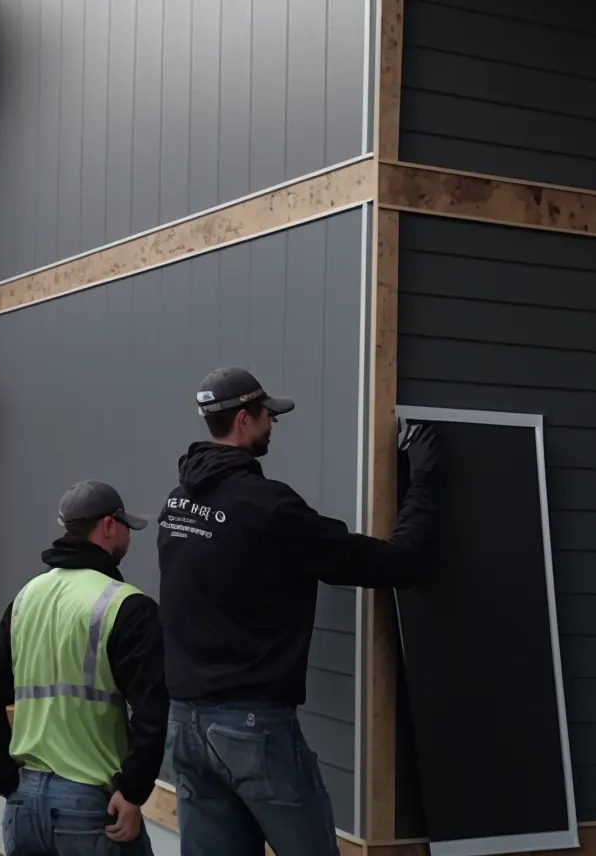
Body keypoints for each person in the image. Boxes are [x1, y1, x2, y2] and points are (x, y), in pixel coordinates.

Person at [156, 366, 443, 856]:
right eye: (269, 414)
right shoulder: (268, 507)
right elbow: (399, 563)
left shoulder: (178, 502)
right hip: (250, 727)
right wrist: (425, 479)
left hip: (185, 724)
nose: (274, 423)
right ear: (244, 419)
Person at [0, 479, 170, 856]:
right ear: (108, 525)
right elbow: (152, 714)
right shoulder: (127, 606)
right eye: (125, 526)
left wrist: (5, 779)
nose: (129, 536)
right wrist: (134, 790)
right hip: (91, 808)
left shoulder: (26, 598)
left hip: (24, 804)